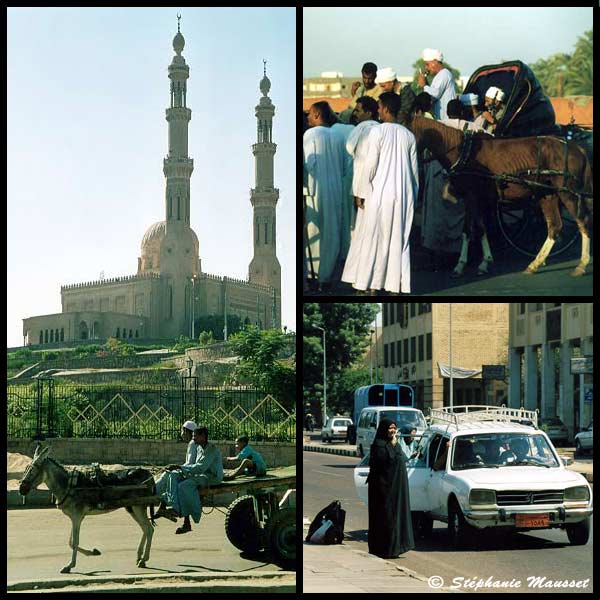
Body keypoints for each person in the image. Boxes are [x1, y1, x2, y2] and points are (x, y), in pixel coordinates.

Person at [341, 92, 419, 295]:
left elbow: (370, 166)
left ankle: (368, 285)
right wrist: (412, 198)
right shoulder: (408, 135)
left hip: (379, 194)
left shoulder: (377, 132)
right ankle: (395, 285)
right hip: (402, 195)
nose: (377, 110)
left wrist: (361, 192)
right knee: (398, 240)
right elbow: (414, 173)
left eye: (379, 106)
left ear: (384, 108)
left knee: (372, 238)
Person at [303, 101, 347, 290]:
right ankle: (325, 279)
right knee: (332, 233)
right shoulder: (338, 137)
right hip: (335, 190)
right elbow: (345, 167)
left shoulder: (310, 134)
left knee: (314, 233)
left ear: (317, 115)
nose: (307, 118)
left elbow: (308, 163)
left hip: (315, 189)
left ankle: (313, 276)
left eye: (310, 114)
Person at [366, 418, 415, 558]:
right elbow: (386, 463)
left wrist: (395, 446)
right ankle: (385, 549)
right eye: (390, 428)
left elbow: (401, 459)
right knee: (386, 517)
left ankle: (397, 547)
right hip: (383, 490)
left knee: (398, 516)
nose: (393, 431)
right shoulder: (378, 445)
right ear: (384, 429)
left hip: (396, 488)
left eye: (394, 428)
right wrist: (393, 446)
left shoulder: (394, 443)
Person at [170, 426, 224, 534]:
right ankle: (176, 508)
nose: (193, 438)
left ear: (203, 437)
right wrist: (181, 470)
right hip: (202, 476)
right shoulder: (199, 448)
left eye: (195, 436)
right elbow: (195, 467)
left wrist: (181, 468)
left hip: (212, 478)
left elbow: (200, 467)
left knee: (184, 486)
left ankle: (196, 512)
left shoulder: (211, 449)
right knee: (176, 478)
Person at [154, 420, 198, 521]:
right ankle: (162, 508)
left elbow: (190, 464)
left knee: (168, 475)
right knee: (168, 473)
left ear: (187, 432)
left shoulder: (192, 443)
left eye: (182, 431)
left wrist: (177, 467)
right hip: (191, 471)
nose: (181, 434)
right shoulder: (193, 443)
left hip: (190, 472)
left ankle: (153, 490)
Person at [417, 48, 456, 120]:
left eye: (427, 64)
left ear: (435, 62)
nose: (426, 67)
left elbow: (436, 93)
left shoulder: (444, 74)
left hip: (446, 121)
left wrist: (424, 85)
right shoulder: (439, 76)